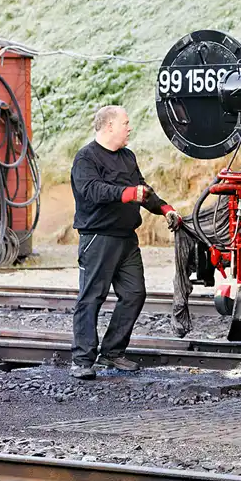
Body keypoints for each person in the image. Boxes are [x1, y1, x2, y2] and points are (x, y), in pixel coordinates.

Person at [70, 104, 182, 380]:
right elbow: (91, 190)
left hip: (126, 239)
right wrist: (128, 193)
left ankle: (112, 351)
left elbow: (142, 191)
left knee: (134, 294)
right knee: (91, 297)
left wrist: (165, 208)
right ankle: (82, 360)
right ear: (109, 126)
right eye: (125, 123)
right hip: (98, 237)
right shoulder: (86, 158)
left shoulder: (127, 157)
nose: (129, 128)